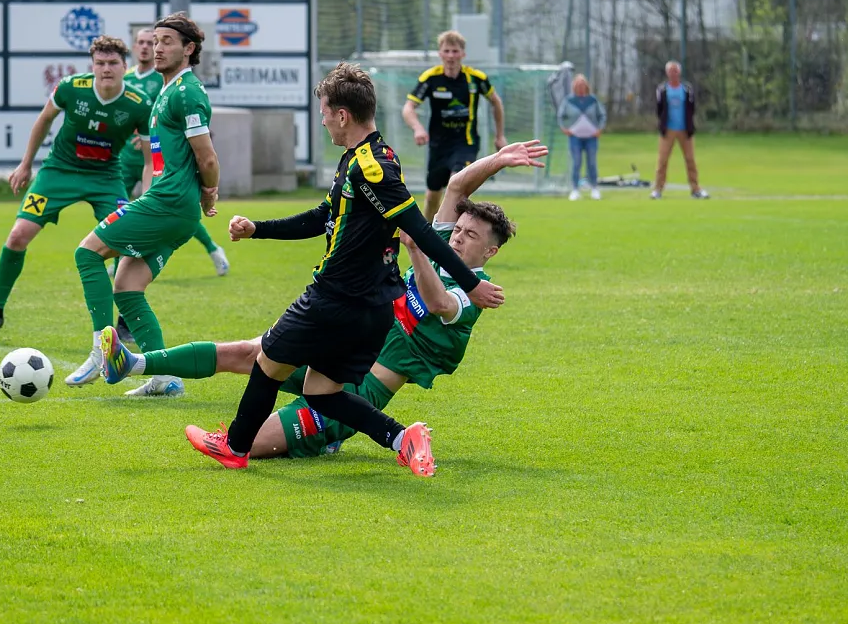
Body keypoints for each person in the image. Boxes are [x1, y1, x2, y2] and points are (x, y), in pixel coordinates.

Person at [100, 145, 539, 472]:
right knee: (251, 353)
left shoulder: (477, 291)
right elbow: (459, 184)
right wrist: (501, 157)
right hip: (348, 344)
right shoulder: (441, 243)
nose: (458, 236)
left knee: (256, 440)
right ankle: (134, 361)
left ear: (491, 251)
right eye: (458, 228)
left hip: (361, 392)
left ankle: (338, 437)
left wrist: (416, 249)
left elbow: (440, 302)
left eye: (471, 236)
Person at [182, 62, 505, 474]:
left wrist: (469, 285)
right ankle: (402, 437)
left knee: (267, 362)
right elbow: (324, 216)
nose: (323, 122)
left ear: (342, 115)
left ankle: (235, 446)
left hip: (335, 298)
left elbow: (419, 231)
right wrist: (257, 229)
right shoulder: (370, 157)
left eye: (324, 113)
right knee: (321, 390)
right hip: (371, 306)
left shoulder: (372, 167)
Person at [66, 12, 221, 397]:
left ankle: (102, 352)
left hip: (168, 203)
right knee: (127, 285)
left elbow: (208, 157)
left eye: (167, 40)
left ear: (189, 49)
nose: (158, 47)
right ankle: (164, 377)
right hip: (170, 205)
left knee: (87, 253)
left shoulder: (186, 92)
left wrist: (209, 191)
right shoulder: (166, 89)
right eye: (155, 40)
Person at [0, 36, 154, 345]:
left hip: (106, 177)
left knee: (127, 241)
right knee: (18, 236)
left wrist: (146, 197)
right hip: (59, 172)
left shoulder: (139, 104)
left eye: (112, 64)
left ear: (126, 66)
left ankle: (124, 321)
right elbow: (44, 120)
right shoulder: (71, 87)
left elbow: (150, 160)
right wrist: (26, 164)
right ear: (92, 65)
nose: (106, 69)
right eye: (100, 63)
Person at [119, 27, 229, 278]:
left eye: (156, 42)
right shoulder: (127, 78)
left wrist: (209, 187)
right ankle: (121, 263)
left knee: (167, 211)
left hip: (164, 165)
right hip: (129, 158)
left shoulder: (173, 82)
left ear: (186, 48)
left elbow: (198, 142)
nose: (150, 47)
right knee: (118, 209)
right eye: (145, 42)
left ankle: (212, 248)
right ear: (135, 47)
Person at [402, 30, 506, 222]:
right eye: (447, 51)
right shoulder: (430, 78)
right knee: (433, 196)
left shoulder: (476, 78)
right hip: (438, 146)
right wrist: (417, 128)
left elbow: (496, 102)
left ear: (463, 54)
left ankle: (455, 240)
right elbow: (408, 108)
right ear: (440, 54)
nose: (451, 56)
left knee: (457, 185)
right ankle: (426, 238)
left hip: (465, 143)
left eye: (455, 51)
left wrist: (500, 135)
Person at [653, 61, 709, 200]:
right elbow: (659, 109)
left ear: (679, 72)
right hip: (668, 130)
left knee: (690, 159)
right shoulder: (662, 89)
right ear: (667, 73)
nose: (673, 73)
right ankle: (658, 189)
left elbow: (692, 107)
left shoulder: (687, 89)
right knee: (663, 160)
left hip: (685, 129)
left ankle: (695, 189)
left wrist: (689, 124)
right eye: (671, 71)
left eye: (675, 71)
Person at [558, 73, 607, 201]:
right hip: (575, 137)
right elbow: (561, 116)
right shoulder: (569, 101)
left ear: (586, 86)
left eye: (582, 84)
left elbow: (602, 115)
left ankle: (594, 188)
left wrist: (599, 129)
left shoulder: (593, 100)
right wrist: (565, 128)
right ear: (574, 86)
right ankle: (575, 189)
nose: (580, 87)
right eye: (578, 85)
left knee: (591, 162)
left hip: (591, 137)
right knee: (577, 162)